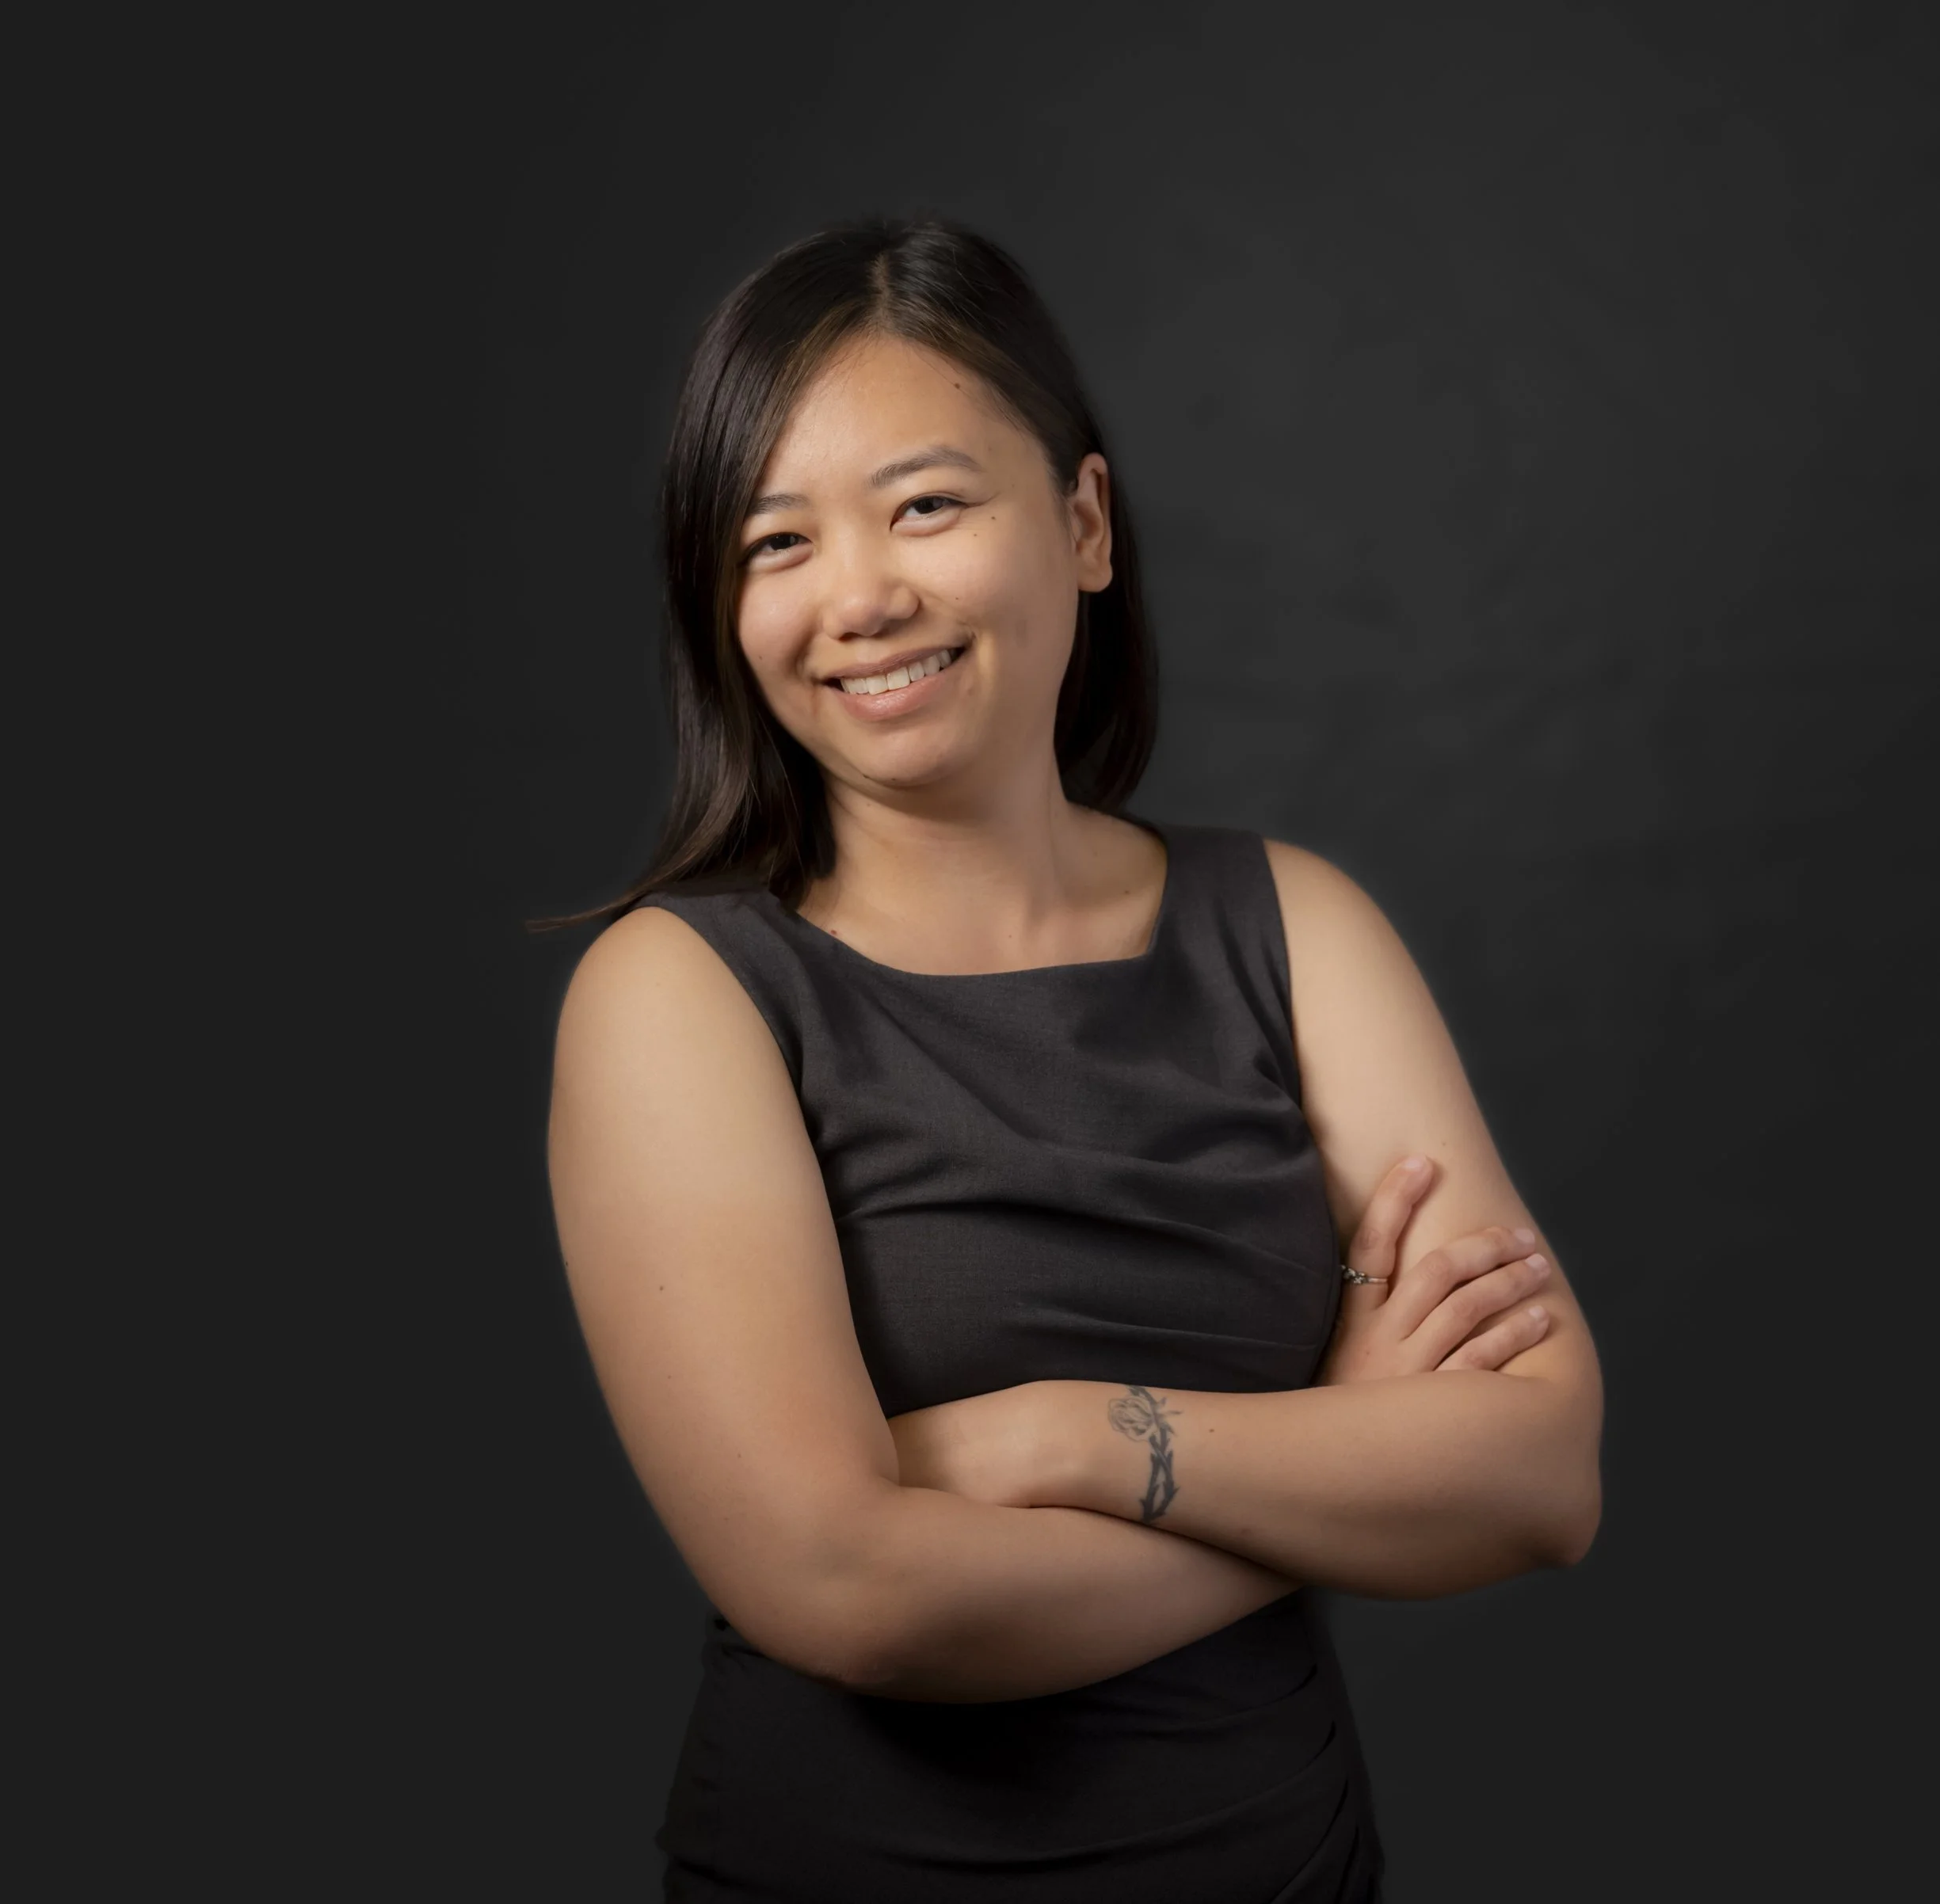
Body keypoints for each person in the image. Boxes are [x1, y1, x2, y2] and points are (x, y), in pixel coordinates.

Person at [543, 211, 1604, 1902]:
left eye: (925, 505)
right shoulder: (680, 993)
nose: (860, 596)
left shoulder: (1295, 927)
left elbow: (1540, 1474)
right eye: (775, 541)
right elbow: (848, 1591)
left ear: (1084, 524)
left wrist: (1080, 1436)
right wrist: (1333, 1450)